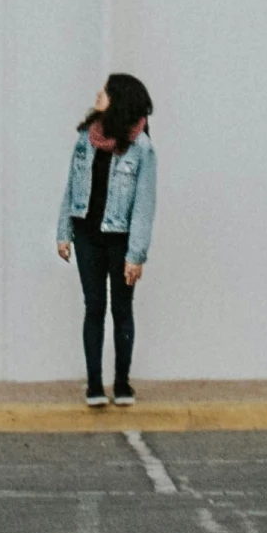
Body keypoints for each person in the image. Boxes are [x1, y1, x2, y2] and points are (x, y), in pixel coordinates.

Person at [55, 72, 156, 407]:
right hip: (87, 233)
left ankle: (123, 384)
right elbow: (71, 186)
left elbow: (144, 204)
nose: (99, 94)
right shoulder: (87, 137)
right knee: (94, 306)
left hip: (121, 239)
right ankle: (95, 385)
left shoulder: (141, 147)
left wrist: (136, 255)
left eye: (106, 91)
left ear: (120, 99)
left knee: (122, 308)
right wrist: (63, 232)